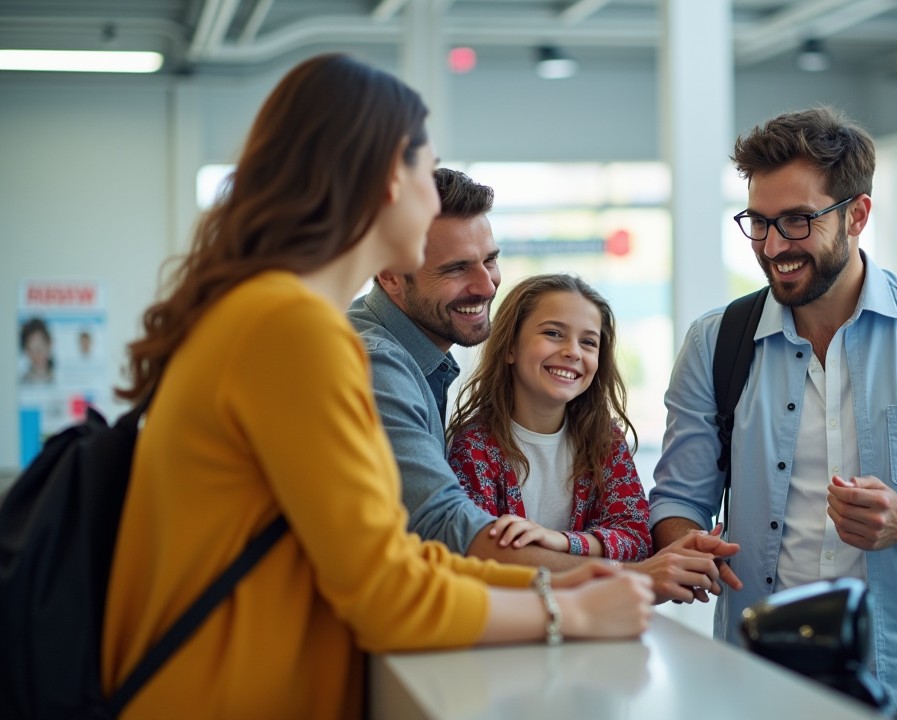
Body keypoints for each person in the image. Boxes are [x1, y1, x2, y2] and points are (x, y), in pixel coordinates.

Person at [103, 54, 652, 720]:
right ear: (386, 182)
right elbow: (387, 593)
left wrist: (565, 582)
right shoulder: (294, 329)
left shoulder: (262, 314)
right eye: (427, 167)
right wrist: (566, 610)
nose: (436, 190)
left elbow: (392, 555)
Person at [648, 105, 897, 709]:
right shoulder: (715, 343)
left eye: (798, 221)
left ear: (857, 214)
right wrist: (685, 544)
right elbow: (678, 500)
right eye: (760, 222)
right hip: (759, 681)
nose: (774, 245)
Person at [349, 170, 740, 604]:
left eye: (490, 260)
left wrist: (578, 547)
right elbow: (448, 531)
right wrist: (638, 577)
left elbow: (633, 528)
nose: (486, 285)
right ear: (389, 275)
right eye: (457, 268)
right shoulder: (376, 363)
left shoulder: (422, 362)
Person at [448, 273, 651, 561]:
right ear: (509, 347)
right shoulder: (474, 446)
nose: (573, 352)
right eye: (553, 333)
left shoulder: (605, 438)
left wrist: (561, 541)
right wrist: (590, 549)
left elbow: (638, 538)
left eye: (589, 342)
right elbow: (482, 551)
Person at [19, 317, 53, 384]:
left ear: (49, 345)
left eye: (39, 348)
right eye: (31, 350)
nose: (36, 355)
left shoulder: (60, 378)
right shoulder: (21, 381)